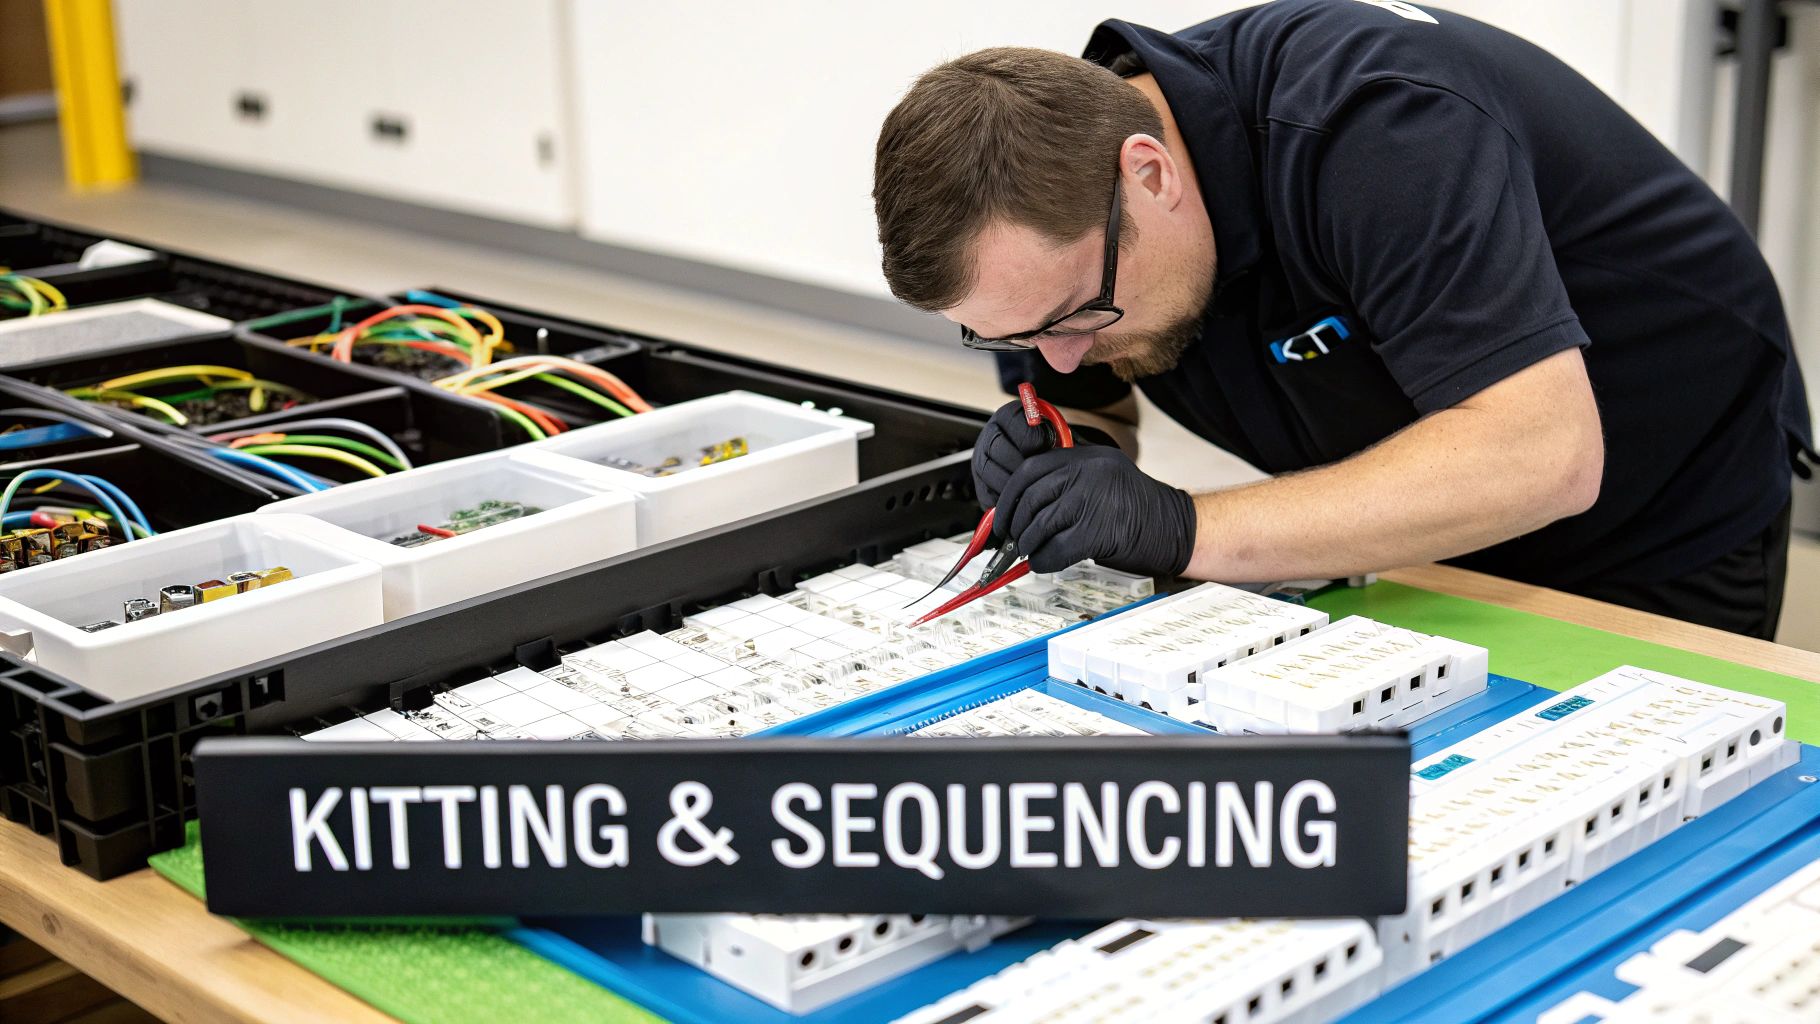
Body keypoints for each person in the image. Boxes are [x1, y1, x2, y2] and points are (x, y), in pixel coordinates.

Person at [871, 0, 1815, 639]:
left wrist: (1185, 528)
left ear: (1148, 173)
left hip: (1653, 497)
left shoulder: (1380, 131)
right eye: (1013, 336)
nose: (1061, 354)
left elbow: (1544, 457)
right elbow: (1092, 399)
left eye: (1081, 315)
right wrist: (1068, 452)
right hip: (1409, 518)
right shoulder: (1056, 241)